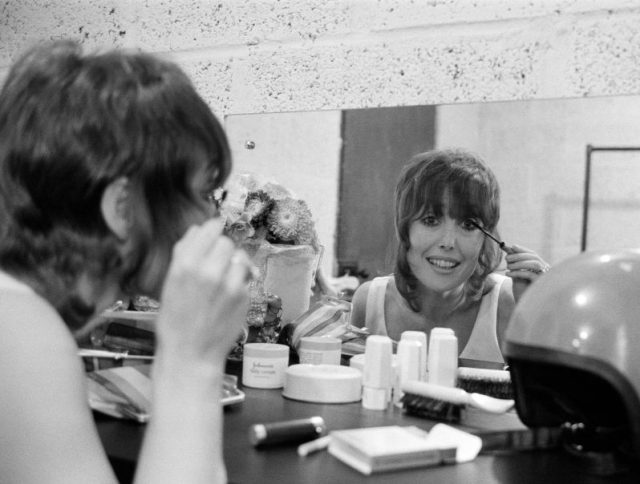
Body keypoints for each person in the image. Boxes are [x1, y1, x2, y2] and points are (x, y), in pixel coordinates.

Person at [0, 40, 252, 483]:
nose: (212, 217)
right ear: (123, 206)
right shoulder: (19, 332)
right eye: (202, 194)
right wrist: (191, 360)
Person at [350, 148, 549, 364]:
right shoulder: (368, 303)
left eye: (468, 225)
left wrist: (543, 314)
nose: (448, 242)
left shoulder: (508, 303)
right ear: (404, 229)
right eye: (430, 220)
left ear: (486, 237)